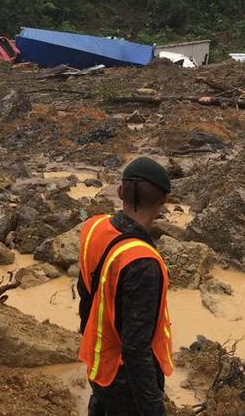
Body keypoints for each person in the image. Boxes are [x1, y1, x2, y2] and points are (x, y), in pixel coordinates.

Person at [77, 156, 174, 415]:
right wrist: (153, 408)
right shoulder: (143, 262)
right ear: (164, 201)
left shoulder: (92, 227)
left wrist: (89, 338)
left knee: (100, 404)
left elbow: (84, 292)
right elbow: (136, 347)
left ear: (120, 192)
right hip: (123, 378)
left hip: (96, 359)